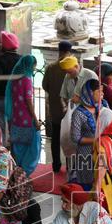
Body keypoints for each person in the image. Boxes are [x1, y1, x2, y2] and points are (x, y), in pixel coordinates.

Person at [5, 54, 42, 176]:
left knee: (17, 146)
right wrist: (35, 119)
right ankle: (24, 171)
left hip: (16, 119)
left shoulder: (15, 79)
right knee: (32, 146)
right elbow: (28, 101)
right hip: (26, 119)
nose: (34, 69)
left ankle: (16, 171)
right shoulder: (26, 80)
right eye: (34, 66)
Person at [41, 42, 72, 172]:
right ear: (69, 52)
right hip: (70, 109)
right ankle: (70, 166)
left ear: (59, 51)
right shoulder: (72, 67)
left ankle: (56, 165)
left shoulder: (51, 68)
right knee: (70, 138)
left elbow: (44, 86)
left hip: (55, 108)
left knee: (55, 138)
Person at [69, 79, 106, 188]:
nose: (102, 94)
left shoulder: (102, 108)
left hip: (101, 153)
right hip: (86, 155)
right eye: (99, 91)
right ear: (89, 93)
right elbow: (75, 137)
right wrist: (95, 140)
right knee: (87, 183)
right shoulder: (78, 114)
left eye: (102, 91)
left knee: (100, 183)